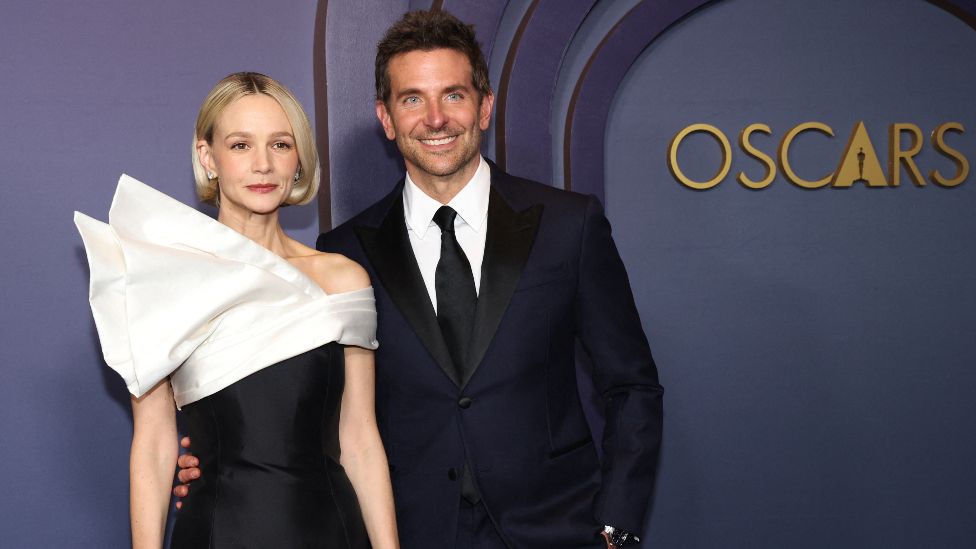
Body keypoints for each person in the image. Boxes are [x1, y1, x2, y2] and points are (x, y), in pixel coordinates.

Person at [178, 10, 663, 548]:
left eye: (453, 95)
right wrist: (208, 455)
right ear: (386, 118)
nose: (435, 118)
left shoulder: (569, 225)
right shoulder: (343, 254)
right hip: (407, 532)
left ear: (484, 107)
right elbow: (314, 411)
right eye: (412, 99)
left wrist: (617, 526)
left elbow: (632, 386)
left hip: (556, 529)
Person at [76, 72, 398, 548]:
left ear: (299, 160)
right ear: (208, 158)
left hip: (331, 531)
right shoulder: (163, 280)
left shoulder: (342, 279)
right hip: (218, 533)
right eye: (241, 145)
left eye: (281, 145)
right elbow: (154, 444)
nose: (263, 165)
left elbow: (360, 438)